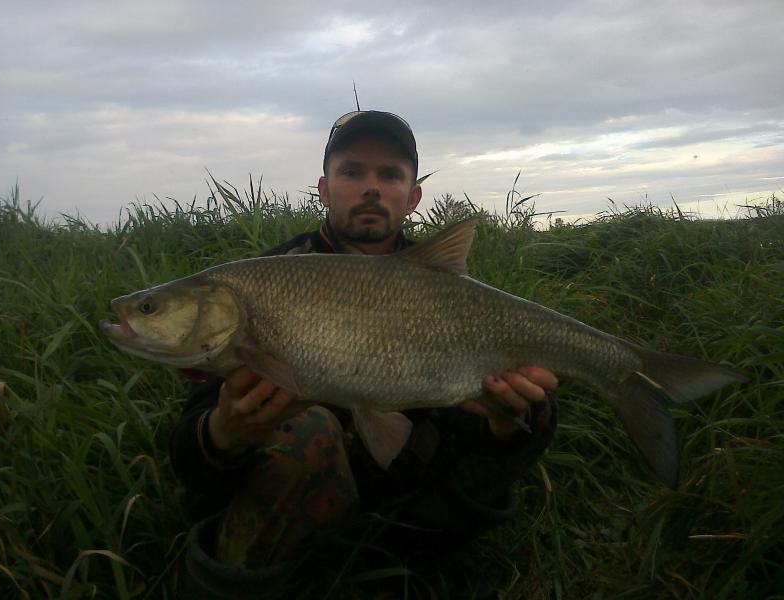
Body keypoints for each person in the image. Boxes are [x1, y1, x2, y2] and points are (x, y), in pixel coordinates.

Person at [170, 110, 559, 598]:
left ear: (413, 197)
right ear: (324, 189)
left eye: (390, 175)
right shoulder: (262, 282)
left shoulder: (449, 293)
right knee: (304, 432)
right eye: (352, 172)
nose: (371, 188)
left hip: (412, 489)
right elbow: (188, 452)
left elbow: (475, 428)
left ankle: (434, 551)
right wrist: (224, 432)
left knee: (535, 409)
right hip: (312, 484)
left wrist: (503, 424)